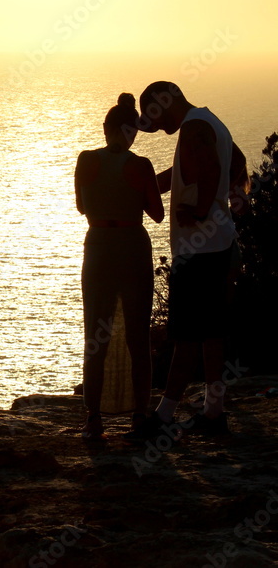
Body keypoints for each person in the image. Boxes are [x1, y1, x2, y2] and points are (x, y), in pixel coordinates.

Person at [134, 81, 247, 437]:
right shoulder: (207, 122)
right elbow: (215, 168)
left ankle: (164, 417)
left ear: (168, 102)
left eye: (154, 112)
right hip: (218, 245)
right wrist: (143, 187)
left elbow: (211, 168)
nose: (153, 124)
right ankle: (214, 414)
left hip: (199, 251)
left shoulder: (194, 128)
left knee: (185, 336)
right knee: (211, 335)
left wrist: (199, 212)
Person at [75, 93, 165, 439]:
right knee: (137, 335)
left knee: (95, 334)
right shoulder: (141, 166)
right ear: (132, 134)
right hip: (131, 247)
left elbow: (82, 206)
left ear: (105, 128)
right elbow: (156, 214)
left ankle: (93, 418)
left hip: (98, 246)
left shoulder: (84, 160)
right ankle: (139, 415)